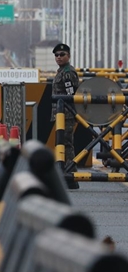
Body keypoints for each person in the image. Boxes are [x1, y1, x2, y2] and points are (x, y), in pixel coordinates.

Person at [51, 42, 80, 189]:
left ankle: (71, 176)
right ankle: (67, 174)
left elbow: (71, 95)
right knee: (62, 144)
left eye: (62, 55)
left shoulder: (68, 72)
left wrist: (72, 113)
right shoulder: (61, 71)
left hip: (67, 114)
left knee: (67, 144)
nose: (59, 57)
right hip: (61, 114)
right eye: (56, 55)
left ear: (68, 56)